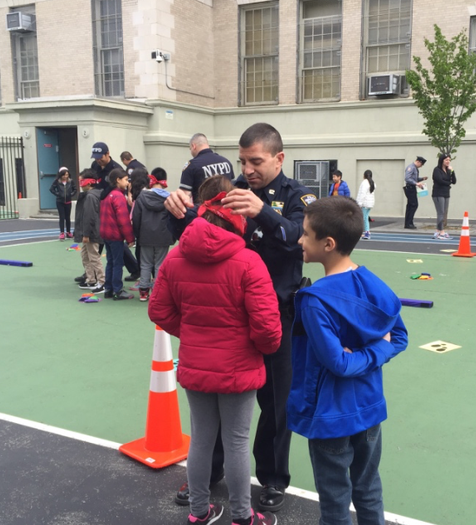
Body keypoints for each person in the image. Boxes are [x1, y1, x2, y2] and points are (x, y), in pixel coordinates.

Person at [165, 123, 317, 514]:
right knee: (220, 407)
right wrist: (176, 211)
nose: (246, 169)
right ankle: (208, 474)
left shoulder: (297, 195)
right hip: (230, 322)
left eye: (256, 161)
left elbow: (300, 241)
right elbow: (196, 232)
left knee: (276, 407)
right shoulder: (227, 191)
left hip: (277, 318)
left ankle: (272, 479)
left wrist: (263, 212)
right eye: (242, 160)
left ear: (279, 158)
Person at [150, 175, 282, 525]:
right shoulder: (249, 261)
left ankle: (199, 511)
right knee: (237, 443)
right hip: (240, 367)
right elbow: (269, 329)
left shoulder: (177, 257)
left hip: (196, 364)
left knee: (201, 440)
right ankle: (242, 516)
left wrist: (192, 334)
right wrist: (251, 345)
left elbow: (158, 311)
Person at [288, 196, 408, 525]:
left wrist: (358, 355)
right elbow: (398, 337)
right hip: (369, 409)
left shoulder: (315, 301)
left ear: (328, 243)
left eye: (305, 234)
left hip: (331, 417)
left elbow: (338, 364)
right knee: (368, 489)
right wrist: (376, 352)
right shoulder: (375, 285)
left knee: (335, 499)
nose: (299, 240)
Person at [132, 170, 173, 302]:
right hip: (163, 235)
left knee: (145, 263)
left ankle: (143, 292)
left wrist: (137, 234)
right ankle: (158, 291)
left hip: (145, 235)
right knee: (160, 264)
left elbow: (136, 217)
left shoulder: (141, 197)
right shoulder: (170, 198)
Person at [99, 168, 136, 300]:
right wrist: (130, 237)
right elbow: (123, 219)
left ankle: (108, 289)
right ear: (118, 180)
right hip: (115, 235)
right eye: (126, 180)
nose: (127, 183)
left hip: (106, 234)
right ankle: (117, 290)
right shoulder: (118, 196)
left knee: (110, 262)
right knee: (118, 263)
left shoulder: (106, 195)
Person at [73, 170, 105, 294]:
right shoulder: (90, 195)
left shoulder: (91, 197)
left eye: (82, 181)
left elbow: (89, 216)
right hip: (88, 231)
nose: (80, 184)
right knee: (85, 256)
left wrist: (86, 234)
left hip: (91, 232)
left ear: (90, 182)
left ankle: (101, 281)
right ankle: (90, 279)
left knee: (94, 257)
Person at [180, 133, 234, 202]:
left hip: (203, 210)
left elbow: (185, 195)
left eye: (190, 149)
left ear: (193, 146)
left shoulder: (192, 165)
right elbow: (232, 186)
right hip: (226, 209)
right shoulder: (226, 162)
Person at [431, 153, 456, 239]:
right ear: (442, 160)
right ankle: (441, 231)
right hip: (438, 193)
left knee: (444, 212)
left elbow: (454, 181)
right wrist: (448, 183)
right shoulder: (437, 170)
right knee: (440, 212)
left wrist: (452, 171)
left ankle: (438, 231)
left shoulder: (448, 170)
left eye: (449, 160)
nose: (448, 161)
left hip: (446, 193)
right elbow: (440, 181)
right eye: (446, 160)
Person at [49, 167, 75, 240]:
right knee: (62, 217)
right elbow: (51, 189)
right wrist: (58, 194)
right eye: (64, 175)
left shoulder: (70, 181)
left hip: (68, 201)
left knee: (68, 217)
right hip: (60, 201)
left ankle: (68, 232)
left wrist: (71, 194)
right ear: (61, 175)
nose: (65, 176)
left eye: (67, 175)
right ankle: (62, 232)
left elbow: (75, 189)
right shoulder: (57, 181)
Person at [403, 156, 428, 229]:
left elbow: (415, 178)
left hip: (412, 188)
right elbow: (407, 178)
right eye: (421, 164)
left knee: (410, 205)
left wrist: (422, 179)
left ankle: (408, 223)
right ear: (418, 162)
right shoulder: (411, 167)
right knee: (414, 205)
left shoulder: (415, 168)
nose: (421, 166)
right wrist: (416, 183)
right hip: (410, 188)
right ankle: (409, 223)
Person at [356, 169, 376, 240]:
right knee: (365, 217)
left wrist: (359, 203)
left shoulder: (365, 183)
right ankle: (366, 232)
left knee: (364, 218)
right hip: (369, 203)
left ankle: (366, 232)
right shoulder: (372, 182)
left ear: (364, 175)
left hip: (365, 203)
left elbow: (362, 194)